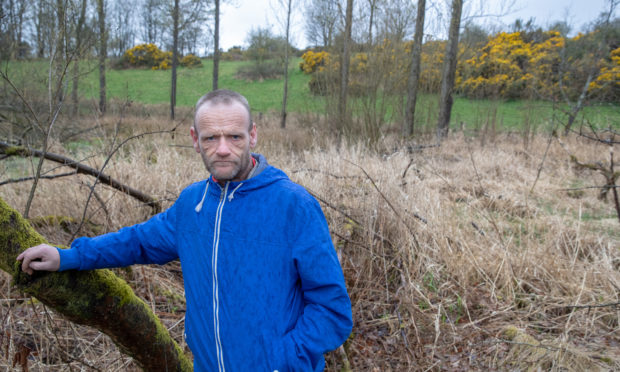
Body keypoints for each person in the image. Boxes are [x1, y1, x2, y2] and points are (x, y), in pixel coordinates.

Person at [17, 89, 353, 371]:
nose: (223, 148)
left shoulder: (293, 206)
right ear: (195, 139)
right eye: (211, 137)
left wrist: (282, 362)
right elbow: (137, 242)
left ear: (252, 135)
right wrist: (69, 256)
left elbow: (332, 310)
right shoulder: (193, 203)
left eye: (234, 136)